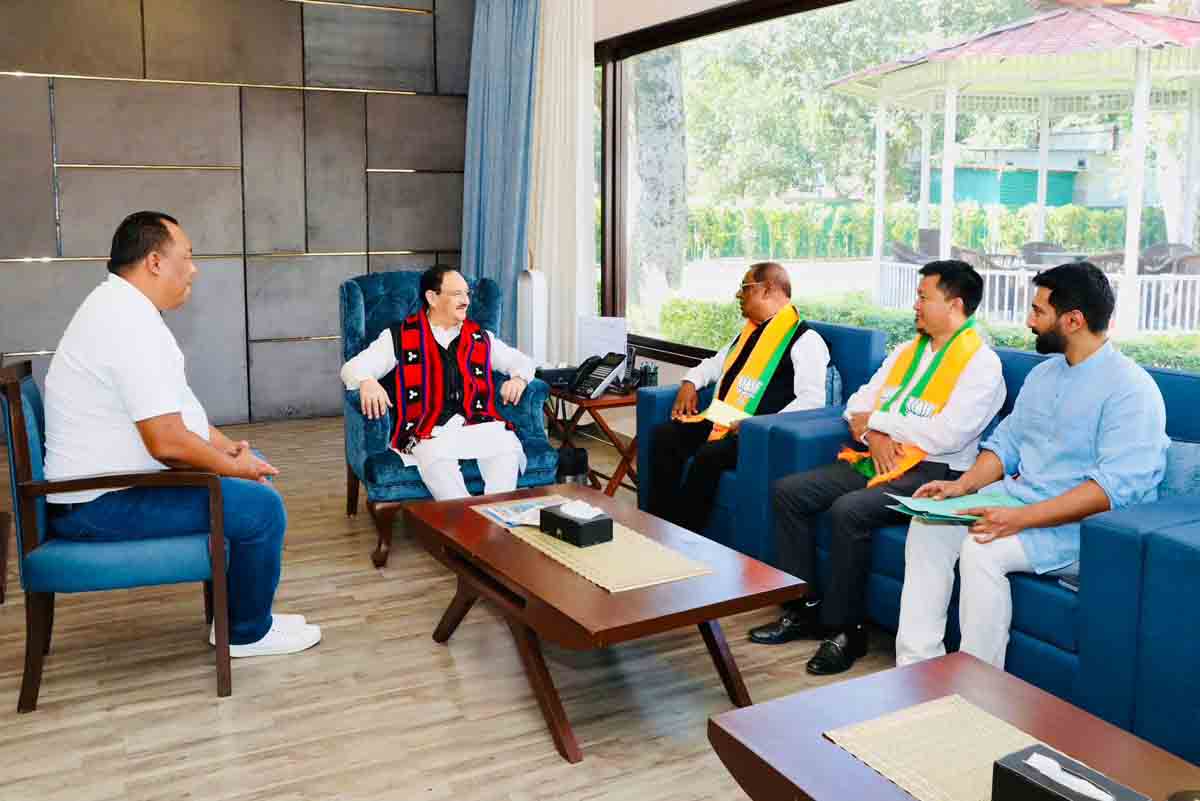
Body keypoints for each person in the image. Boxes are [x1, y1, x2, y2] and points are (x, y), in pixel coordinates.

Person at [43, 211, 320, 657]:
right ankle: (246, 633)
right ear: (154, 261)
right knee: (261, 507)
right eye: (187, 257)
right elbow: (167, 443)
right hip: (96, 504)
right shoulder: (125, 323)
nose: (194, 269)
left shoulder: (122, 309)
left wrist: (226, 447)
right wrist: (233, 467)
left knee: (245, 482)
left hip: (107, 491)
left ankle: (238, 616)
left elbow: (178, 411)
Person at [895, 262, 1168, 669]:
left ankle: (976, 688)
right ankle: (916, 667)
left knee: (981, 549)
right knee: (928, 525)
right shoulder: (1044, 375)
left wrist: (1019, 519)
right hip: (1019, 501)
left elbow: (1114, 491)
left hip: (1084, 528)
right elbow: (1006, 445)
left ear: (1073, 320)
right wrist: (963, 486)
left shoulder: (1131, 390)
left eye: (1039, 311)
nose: (1029, 320)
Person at [750, 260, 1005, 676]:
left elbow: (948, 435)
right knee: (789, 492)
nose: (915, 306)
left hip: (938, 471)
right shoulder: (909, 352)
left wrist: (881, 423)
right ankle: (804, 609)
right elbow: (857, 403)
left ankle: (847, 631)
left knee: (849, 510)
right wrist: (879, 435)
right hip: (881, 457)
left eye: (924, 298)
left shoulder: (981, 364)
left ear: (955, 305)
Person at [647, 262, 830, 535]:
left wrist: (758, 424)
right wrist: (689, 382)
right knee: (665, 436)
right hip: (723, 419)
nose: (737, 295)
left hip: (758, 433)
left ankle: (686, 536)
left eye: (745, 288)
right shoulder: (747, 333)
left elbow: (812, 401)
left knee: (709, 456)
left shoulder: (807, 340)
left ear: (767, 290)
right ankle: (658, 526)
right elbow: (714, 364)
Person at [340, 266, 535, 499]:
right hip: (427, 430)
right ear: (432, 297)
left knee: (506, 449)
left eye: (467, 294)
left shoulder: (480, 338)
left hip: (476, 424)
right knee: (437, 460)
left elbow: (522, 362)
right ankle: (468, 522)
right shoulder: (400, 336)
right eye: (456, 294)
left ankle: (496, 516)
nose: (465, 301)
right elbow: (352, 368)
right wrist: (367, 381)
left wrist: (519, 379)